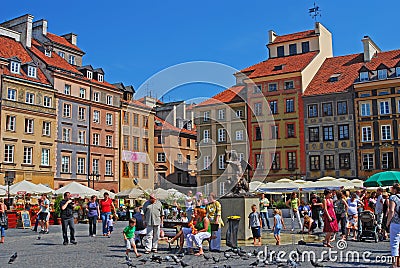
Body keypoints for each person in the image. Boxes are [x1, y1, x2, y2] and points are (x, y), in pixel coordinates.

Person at [386, 183, 400, 268]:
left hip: (396, 222)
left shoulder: (393, 197)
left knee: (394, 243)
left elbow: (391, 211)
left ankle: (394, 264)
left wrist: (387, 223)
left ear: (394, 189)